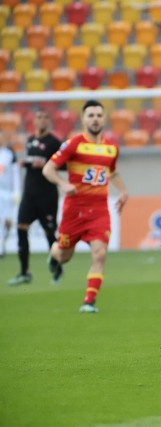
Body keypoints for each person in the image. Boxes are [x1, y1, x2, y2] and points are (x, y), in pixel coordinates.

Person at [42, 100, 129, 313]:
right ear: (83, 119)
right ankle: (54, 255)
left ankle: (88, 302)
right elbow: (48, 169)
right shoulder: (74, 144)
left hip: (99, 210)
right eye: (90, 115)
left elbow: (112, 171)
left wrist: (123, 191)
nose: (95, 119)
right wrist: (63, 184)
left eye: (99, 115)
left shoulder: (111, 148)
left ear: (104, 119)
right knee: (65, 256)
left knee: (99, 254)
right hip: (75, 210)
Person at [8, 110, 63, 285]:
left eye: (45, 117)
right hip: (29, 194)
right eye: (39, 117)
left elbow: (64, 165)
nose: (42, 120)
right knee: (21, 228)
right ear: (34, 121)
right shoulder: (30, 140)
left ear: (49, 121)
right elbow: (32, 161)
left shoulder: (54, 142)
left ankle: (58, 268)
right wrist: (26, 163)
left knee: (49, 233)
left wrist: (46, 164)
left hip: (47, 195)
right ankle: (24, 272)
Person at [0, 132, 21, 258]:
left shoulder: (9, 154)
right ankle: (0, 248)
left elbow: (15, 174)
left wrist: (17, 191)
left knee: (7, 222)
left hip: (8, 193)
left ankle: (3, 243)